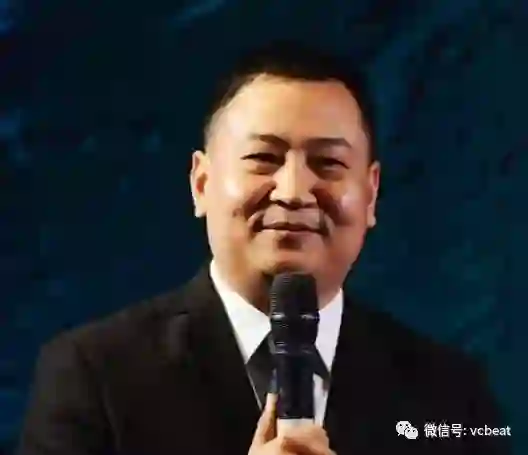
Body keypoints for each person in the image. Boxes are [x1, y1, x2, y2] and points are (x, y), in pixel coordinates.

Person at [17, 41, 510, 455]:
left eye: (328, 163)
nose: (293, 191)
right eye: (263, 158)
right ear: (201, 183)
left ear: (371, 194)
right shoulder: (94, 378)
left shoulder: (453, 394)